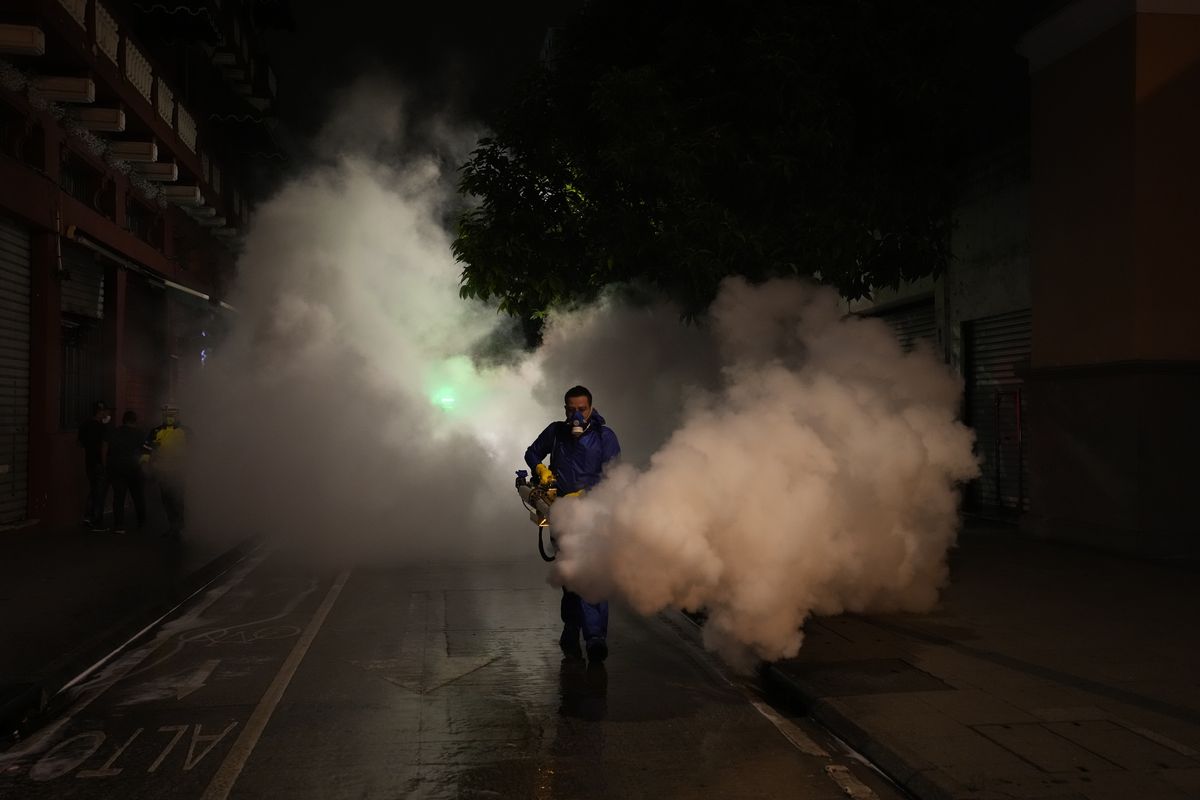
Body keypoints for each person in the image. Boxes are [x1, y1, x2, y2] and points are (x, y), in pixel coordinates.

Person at [524, 385, 621, 663]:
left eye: (582, 409)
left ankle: (594, 638)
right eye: (571, 410)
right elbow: (532, 453)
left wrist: (588, 495)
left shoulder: (604, 437)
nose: (576, 416)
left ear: (591, 408)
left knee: (591, 574)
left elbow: (615, 475)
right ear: (564, 409)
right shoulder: (556, 433)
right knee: (569, 575)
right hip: (561, 513)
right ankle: (572, 627)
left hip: (594, 516)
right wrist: (540, 468)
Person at [144, 405, 188, 539]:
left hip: (179, 471)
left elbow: (195, 449)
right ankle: (173, 526)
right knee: (167, 500)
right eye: (167, 414)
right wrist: (145, 463)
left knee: (178, 499)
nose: (170, 417)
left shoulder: (185, 431)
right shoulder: (156, 431)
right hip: (163, 472)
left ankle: (178, 527)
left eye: (172, 414)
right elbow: (146, 449)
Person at [107, 410, 147, 534]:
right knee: (138, 497)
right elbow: (145, 451)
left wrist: (109, 467)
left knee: (119, 498)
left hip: (118, 469)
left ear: (123, 420)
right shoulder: (140, 433)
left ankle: (119, 525)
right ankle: (142, 522)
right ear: (135, 420)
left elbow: (110, 451)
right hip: (135, 469)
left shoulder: (116, 432)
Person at [77, 400, 111, 530]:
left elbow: (79, 444)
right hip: (98, 463)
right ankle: (96, 521)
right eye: (105, 411)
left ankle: (88, 517)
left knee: (93, 490)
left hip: (89, 462)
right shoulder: (102, 427)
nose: (107, 414)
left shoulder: (84, 425)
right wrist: (104, 464)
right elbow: (104, 446)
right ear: (100, 412)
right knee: (99, 493)